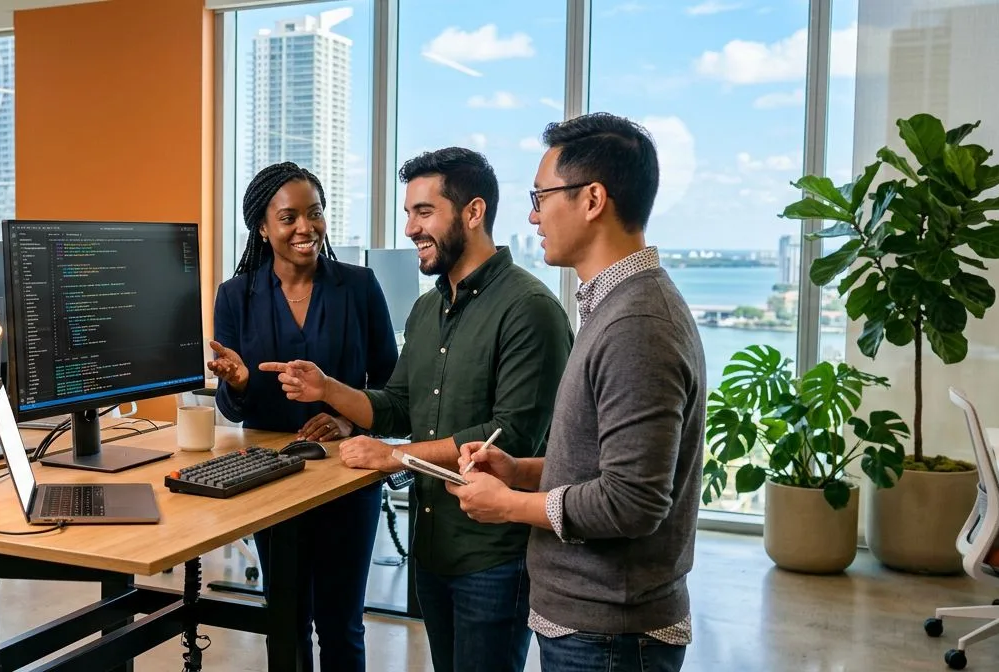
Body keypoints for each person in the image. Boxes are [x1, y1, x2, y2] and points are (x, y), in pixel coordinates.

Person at [260, 148, 574, 672]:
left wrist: (395, 458)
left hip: (493, 555)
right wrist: (329, 389)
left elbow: (511, 434)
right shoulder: (430, 308)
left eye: (424, 212)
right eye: (408, 213)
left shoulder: (529, 308)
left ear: (473, 213)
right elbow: (399, 405)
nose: (410, 228)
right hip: (434, 548)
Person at [446, 112, 705, 672]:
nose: (534, 215)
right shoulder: (615, 306)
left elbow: (632, 502)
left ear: (592, 200)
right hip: (593, 625)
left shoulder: (638, 323)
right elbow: (603, 464)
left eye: (541, 196)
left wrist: (510, 506)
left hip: (611, 633)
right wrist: (519, 470)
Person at [207, 161, 399, 671]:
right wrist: (240, 384)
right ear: (263, 227)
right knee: (287, 618)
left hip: (347, 474)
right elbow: (230, 406)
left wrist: (348, 420)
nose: (304, 228)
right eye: (288, 217)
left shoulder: (358, 287)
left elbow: (391, 385)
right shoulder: (236, 296)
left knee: (341, 623)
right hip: (270, 477)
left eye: (314, 214)